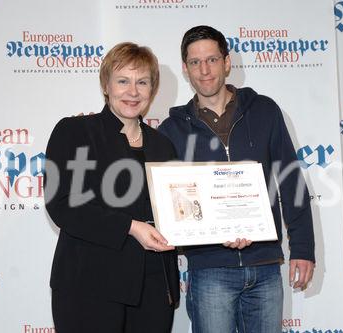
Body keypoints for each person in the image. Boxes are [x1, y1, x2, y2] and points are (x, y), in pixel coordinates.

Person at [158, 25, 315, 333]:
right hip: (210, 270)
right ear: (185, 69)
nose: (204, 70)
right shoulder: (171, 130)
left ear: (227, 62)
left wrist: (304, 249)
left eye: (212, 60)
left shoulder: (265, 111)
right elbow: (173, 207)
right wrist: (214, 233)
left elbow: (291, 180)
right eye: (195, 62)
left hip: (265, 267)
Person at [44, 42, 180, 333]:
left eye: (142, 82)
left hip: (153, 288)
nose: (133, 91)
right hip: (89, 289)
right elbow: (63, 203)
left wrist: (225, 233)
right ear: (106, 85)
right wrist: (130, 227)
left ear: (152, 89)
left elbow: (177, 212)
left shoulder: (163, 145)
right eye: (123, 81)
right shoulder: (76, 132)